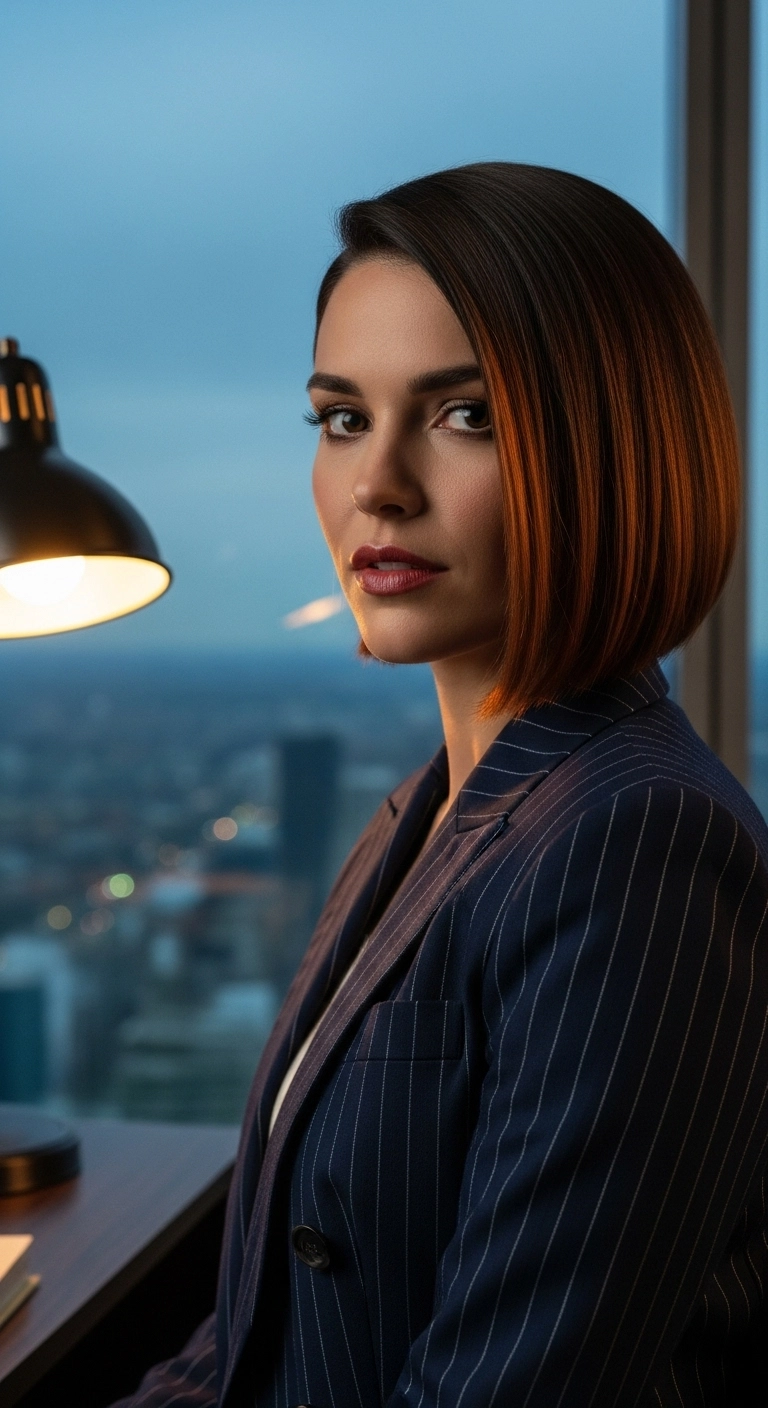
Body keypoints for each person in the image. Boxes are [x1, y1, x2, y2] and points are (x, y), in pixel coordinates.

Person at [116, 164, 768, 1408]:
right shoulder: (425, 815)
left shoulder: (635, 842)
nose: (378, 484)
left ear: (613, 452)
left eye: (462, 414)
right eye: (341, 417)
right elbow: (257, 1333)